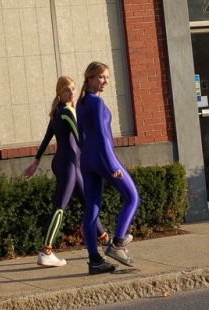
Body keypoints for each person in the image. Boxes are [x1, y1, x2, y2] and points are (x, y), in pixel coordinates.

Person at [24, 76, 116, 267]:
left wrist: (36, 161)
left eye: (73, 89)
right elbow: (80, 137)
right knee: (60, 207)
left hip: (65, 163)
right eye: (67, 90)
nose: (72, 92)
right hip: (68, 165)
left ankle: (106, 240)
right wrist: (100, 158)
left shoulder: (57, 111)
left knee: (88, 203)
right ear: (59, 92)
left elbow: (46, 138)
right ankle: (46, 251)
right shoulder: (67, 111)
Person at [76, 62, 140, 275]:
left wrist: (87, 159)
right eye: (102, 77)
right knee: (132, 197)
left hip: (87, 159)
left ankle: (95, 261)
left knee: (92, 209)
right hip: (103, 158)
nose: (105, 81)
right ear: (90, 78)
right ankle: (118, 244)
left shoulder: (81, 103)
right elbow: (103, 138)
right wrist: (112, 166)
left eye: (107, 77)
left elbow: (81, 136)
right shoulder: (96, 103)